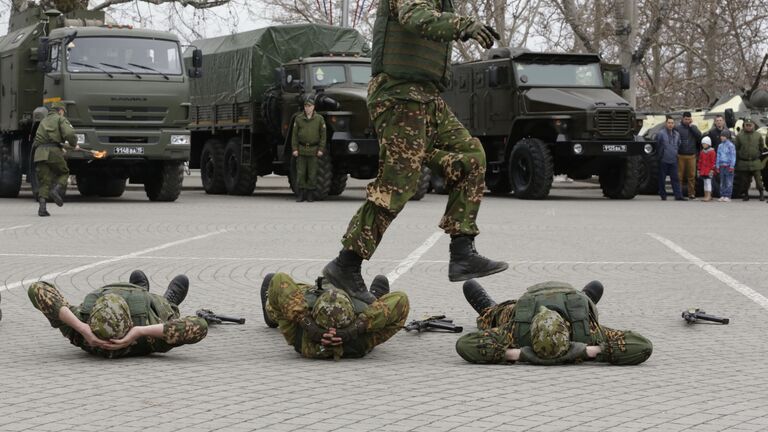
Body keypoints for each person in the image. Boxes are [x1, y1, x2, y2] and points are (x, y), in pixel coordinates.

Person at [321, 0, 507, 304]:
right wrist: (465, 26)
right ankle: (346, 264)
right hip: (398, 95)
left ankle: (462, 252)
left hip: (427, 98)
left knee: (471, 155)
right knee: (398, 186)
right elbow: (414, 16)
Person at [455, 279, 652, 365]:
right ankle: (489, 307)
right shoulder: (516, 329)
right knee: (493, 313)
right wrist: (516, 353)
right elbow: (465, 344)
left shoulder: (586, 330)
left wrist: (592, 350)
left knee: (587, 300)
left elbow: (643, 346)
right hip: (528, 304)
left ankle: (585, 296)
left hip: (572, 301)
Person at [28, 270, 208, 358]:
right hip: (147, 312)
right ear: (128, 321)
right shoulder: (149, 340)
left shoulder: (79, 329)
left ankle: (140, 289)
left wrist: (82, 328)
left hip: (101, 313)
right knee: (166, 311)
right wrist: (140, 332)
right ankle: (169, 301)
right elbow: (200, 325)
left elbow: (37, 288)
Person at [262, 272, 409, 359]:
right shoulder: (361, 342)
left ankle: (270, 314)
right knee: (375, 309)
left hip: (307, 327)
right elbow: (401, 300)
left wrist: (308, 324)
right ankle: (375, 298)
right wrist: (354, 329)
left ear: (314, 314)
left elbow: (279, 280)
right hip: (355, 332)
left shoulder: (299, 336)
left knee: (280, 302)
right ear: (352, 316)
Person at [32, 101, 79, 216]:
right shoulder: (59, 119)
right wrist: (73, 144)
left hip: (39, 153)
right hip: (53, 152)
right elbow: (70, 133)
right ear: (61, 111)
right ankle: (56, 190)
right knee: (64, 172)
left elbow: (39, 141)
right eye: (63, 112)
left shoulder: (43, 121)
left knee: (44, 181)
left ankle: (42, 209)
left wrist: (63, 146)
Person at [291, 97, 327, 202]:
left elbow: (323, 135)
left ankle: (310, 194)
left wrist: (321, 149)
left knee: (312, 173)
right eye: (306, 106)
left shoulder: (319, 119)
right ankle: (301, 194)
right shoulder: (298, 119)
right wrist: (294, 149)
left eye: (310, 106)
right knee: (301, 172)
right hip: (301, 149)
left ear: (313, 107)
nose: (308, 108)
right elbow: (294, 136)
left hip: (313, 149)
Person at [734, 118, 766, 201]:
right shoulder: (739, 136)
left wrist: (757, 153)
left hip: (755, 162)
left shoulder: (758, 135)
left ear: (753, 125)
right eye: (746, 125)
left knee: (758, 180)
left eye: (750, 125)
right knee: (745, 181)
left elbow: (761, 146)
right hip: (744, 162)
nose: (748, 127)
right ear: (744, 126)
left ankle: (761, 194)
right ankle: (746, 195)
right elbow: (736, 148)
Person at [656, 116, 685, 201]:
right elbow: (657, 145)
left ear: (674, 124)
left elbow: (678, 144)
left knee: (675, 178)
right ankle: (663, 195)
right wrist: (660, 156)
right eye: (669, 123)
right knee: (662, 178)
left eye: (672, 123)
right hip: (663, 159)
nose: (670, 125)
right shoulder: (661, 134)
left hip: (673, 160)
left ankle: (678, 195)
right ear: (666, 124)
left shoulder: (677, 134)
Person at [675, 112, 702, 199]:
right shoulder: (678, 128)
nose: (687, 121)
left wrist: (691, 127)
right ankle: (678, 193)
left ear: (691, 119)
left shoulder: (693, 127)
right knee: (679, 176)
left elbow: (699, 136)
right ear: (682, 119)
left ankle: (691, 193)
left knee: (691, 176)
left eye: (689, 119)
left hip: (691, 156)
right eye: (686, 119)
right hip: (680, 155)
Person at [716, 129, 737, 202]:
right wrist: (717, 166)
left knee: (728, 181)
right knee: (722, 182)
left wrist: (732, 166)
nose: (721, 137)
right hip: (721, 166)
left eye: (723, 136)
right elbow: (718, 156)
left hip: (728, 166)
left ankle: (728, 195)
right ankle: (722, 195)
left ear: (727, 137)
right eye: (721, 136)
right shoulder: (720, 146)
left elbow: (733, 156)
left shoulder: (731, 145)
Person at [698, 136, 716, 202]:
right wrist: (699, 169)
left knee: (708, 183)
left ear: (708, 144)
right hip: (703, 170)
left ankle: (709, 195)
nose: (703, 145)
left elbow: (713, 161)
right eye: (702, 144)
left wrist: (712, 169)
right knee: (705, 183)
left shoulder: (712, 152)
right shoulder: (702, 152)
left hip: (709, 171)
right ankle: (706, 195)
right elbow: (700, 161)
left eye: (704, 144)